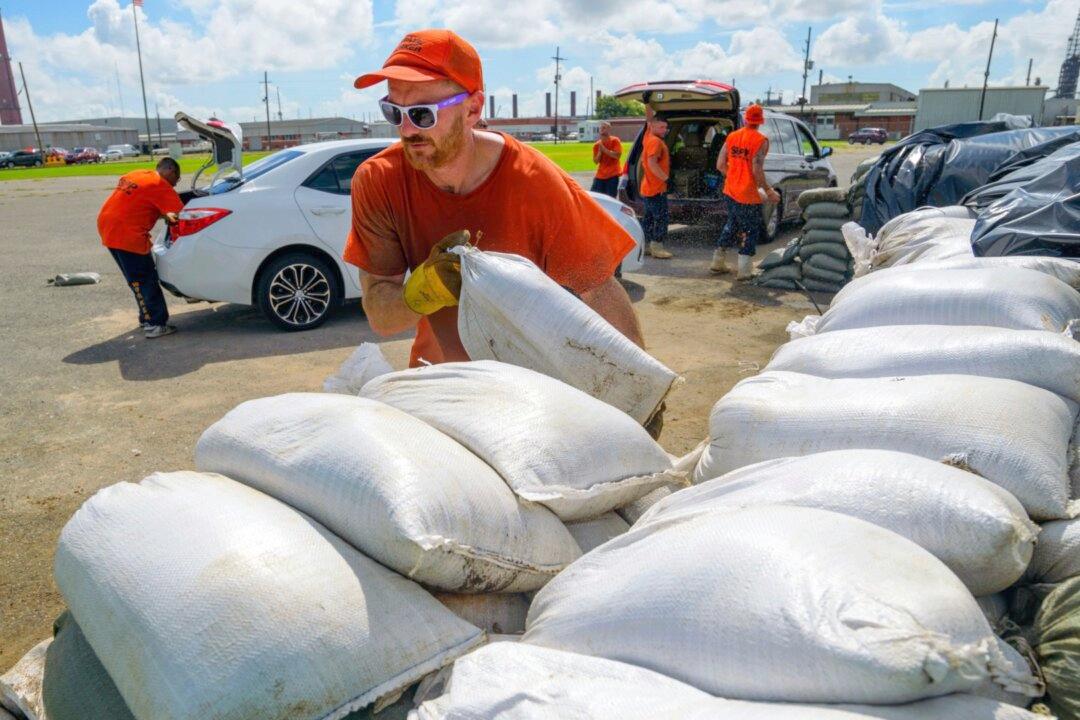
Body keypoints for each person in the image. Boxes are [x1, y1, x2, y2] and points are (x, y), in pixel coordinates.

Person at [344, 29, 645, 371]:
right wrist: (423, 292)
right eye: (393, 112)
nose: (407, 130)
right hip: (440, 379)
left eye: (422, 114)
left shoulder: (534, 181)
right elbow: (381, 317)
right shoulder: (379, 180)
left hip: (529, 385)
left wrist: (639, 382)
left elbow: (598, 288)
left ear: (473, 109)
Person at [97, 157, 183, 338]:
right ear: (170, 171)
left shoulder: (136, 174)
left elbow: (139, 203)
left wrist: (160, 213)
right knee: (145, 279)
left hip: (108, 227)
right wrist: (170, 217)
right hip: (128, 234)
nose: (176, 184)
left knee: (135, 280)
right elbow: (179, 214)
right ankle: (155, 324)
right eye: (177, 178)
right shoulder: (161, 185)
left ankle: (146, 318)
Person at [712, 104, 780, 279]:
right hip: (748, 194)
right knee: (750, 230)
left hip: (730, 191)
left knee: (732, 224)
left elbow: (720, 165)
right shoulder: (760, 140)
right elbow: (757, 169)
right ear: (760, 121)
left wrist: (734, 177)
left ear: (745, 119)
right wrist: (769, 190)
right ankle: (744, 270)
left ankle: (717, 261)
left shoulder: (732, 137)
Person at [639, 116, 673, 259]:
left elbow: (649, 119)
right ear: (652, 127)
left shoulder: (648, 137)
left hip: (647, 188)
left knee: (648, 219)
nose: (664, 130)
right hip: (656, 189)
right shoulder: (656, 142)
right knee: (661, 218)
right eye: (661, 127)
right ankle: (657, 247)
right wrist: (667, 179)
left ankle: (645, 246)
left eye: (666, 127)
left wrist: (648, 106)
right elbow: (652, 163)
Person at [590, 121, 621, 198]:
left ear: (609, 129)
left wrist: (604, 150)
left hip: (612, 174)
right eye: (601, 128)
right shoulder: (597, 145)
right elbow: (596, 161)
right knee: (594, 197)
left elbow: (617, 156)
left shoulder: (615, 141)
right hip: (600, 175)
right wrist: (600, 152)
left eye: (604, 128)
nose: (602, 129)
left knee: (611, 198)